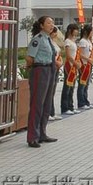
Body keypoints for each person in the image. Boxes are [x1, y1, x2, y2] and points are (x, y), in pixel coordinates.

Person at [25, 16, 58, 148]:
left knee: (46, 104)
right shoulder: (37, 39)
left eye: (53, 23)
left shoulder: (48, 39)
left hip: (50, 70)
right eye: (49, 23)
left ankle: (42, 133)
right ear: (41, 25)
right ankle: (32, 136)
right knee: (37, 104)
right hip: (40, 71)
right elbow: (29, 57)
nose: (52, 25)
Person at [61, 24, 82, 116]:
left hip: (74, 66)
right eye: (75, 30)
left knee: (72, 87)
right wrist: (75, 63)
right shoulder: (67, 41)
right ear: (70, 30)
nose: (77, 32)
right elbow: (68, 56)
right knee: (67, 87)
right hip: (69, 66)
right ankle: (65, 107)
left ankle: (71, 106)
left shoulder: (73, 41)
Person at [48, 28, 64, 121]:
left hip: (56, 67)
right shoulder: (47, 42)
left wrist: (60, 61)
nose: (55, 34)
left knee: (53, 91)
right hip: (51, 67)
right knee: (49, 91)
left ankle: (52, 112)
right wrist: (56, 62)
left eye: (55, 32)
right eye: (53, 32)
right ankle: (48, 112)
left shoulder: (54, 42)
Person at [77, 25, 93, 110]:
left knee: (86, 84)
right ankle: (81, 102)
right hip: (84, 65)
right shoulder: (82, 41)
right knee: (82, 84)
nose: (92, 33)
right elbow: (80, 54)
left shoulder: (89, 41)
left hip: (89, 64)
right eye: (91, 31)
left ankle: (85, 100)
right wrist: (88, 59)